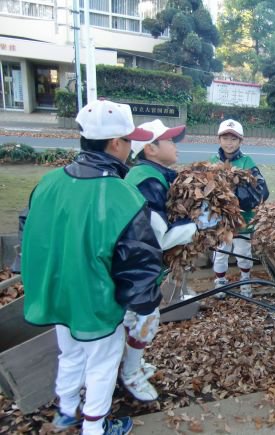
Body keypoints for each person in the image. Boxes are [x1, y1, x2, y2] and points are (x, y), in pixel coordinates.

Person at [20, 99, 162, 435]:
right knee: (102, 363)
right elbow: (136, 261)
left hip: (56, 294)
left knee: (69, 354)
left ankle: (66, 413)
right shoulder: (121, 195)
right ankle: (95, 429)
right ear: (115, 143)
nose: (131, 147)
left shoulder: (49, 183)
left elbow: (29, 236)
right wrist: (145, 306)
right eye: (129, 140)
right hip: (96, 300)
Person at [123, 119, 219, 401]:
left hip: (136, 265)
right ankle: (130, 373)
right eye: (169, 141)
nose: (175, 146)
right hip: (136, 266)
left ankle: (132, 364)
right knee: (145, 318)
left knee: (134, 318)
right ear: (150, 148)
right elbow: (158, 238)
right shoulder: (147, 181)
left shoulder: (153, 174)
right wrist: (199, 226)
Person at [209, 119, 269, 298]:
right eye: (225, 138)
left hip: (243, 219)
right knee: (220, 252)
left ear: (240, 141)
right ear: (219, 139)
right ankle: (220, 280)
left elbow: (261, 190)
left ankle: (245, 280)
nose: (229, 142)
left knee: (243, 252)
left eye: (234, 139)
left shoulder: (247, 162)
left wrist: (243, 195)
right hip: (220, 219)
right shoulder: (212, 162)